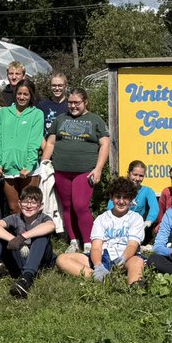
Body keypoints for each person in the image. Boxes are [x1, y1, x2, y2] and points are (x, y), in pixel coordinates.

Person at [44, 87, 109, 252]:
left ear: (85, 102)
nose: (73, 106)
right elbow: (51, 143)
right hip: (61, 170)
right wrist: (44, 163)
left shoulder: (95, 120)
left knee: (80, 205)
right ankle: (73, 241)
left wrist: (99, 169)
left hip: (85, 170)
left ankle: (88, 243)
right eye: (70, 102)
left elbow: (105, 144)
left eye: (77, 103)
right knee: (67, 206)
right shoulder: (60, 119)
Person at [0, 185, 58, 298]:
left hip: (41, 265)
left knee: (41, 236)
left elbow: (50, 226)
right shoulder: (16, 218)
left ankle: (26, 281)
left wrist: (21, 238)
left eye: (34, 203)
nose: (29, 206)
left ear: (40, 206)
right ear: (20, 204)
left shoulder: (44, 218)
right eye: (25, 202)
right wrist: (12, 239)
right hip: (21, 262)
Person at [57, 177, 146, 287]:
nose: (121, 201)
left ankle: (135, 285)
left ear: (131, 198)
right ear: (111, 197)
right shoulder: (101, 219)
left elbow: (132, 244)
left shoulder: (136, 218)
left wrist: (123, 258)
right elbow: (96, 247)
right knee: (62, 258)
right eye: (118, 197)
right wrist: (98, 265)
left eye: (125, 198)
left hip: (126, 257)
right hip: (103, 255)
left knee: (137, 262)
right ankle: (98, 276)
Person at [0, 79, 45, 213]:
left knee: (30, 207)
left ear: (31, 96)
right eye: (19, 93)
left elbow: (35, 142)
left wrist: (29, 165)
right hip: (7, 166)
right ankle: (18, 234)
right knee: (14, 208)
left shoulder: (37, 114)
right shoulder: (3, 112)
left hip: (28, 168)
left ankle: (32, 234)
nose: (22, 97)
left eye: (26, 94)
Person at [106, 160, 159, 226]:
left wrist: (149, 220)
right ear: (129, 173)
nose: (137, 178)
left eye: (141, 176)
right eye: (135, 174)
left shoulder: (147, 191)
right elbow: (111, 206)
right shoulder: (120, 188)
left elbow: (154, 208)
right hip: (118, 225)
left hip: (138, 227)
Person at [36, 72, 69, 141]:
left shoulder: (70, 105)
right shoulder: (43, 105)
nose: (57, 88)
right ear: (50, 86)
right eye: (54, 85)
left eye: (60, 85)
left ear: (65, 86)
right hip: (46, 145)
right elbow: (37, 130)